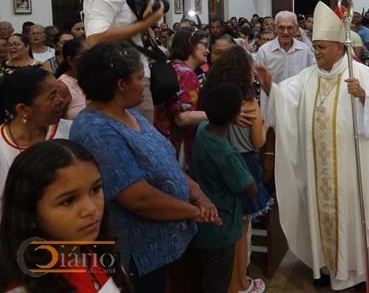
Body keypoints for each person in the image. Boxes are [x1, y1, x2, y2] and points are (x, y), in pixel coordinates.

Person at [256, 1, 369, 290]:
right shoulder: (308, 78)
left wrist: (365, 97)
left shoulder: (361, 75)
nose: (315, 52)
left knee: (351, 219)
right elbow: (285, 100)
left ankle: (355, 273)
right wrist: (270, 88)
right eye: (315, 46)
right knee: (322, 217)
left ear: (339, 48)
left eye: (321, 47)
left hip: (351, 170)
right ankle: (328, 268)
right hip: (318, 172)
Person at [70, 42, 219, 291]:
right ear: (121, 85)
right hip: (138, 252)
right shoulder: (95, 130)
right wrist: (193, 211)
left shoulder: (129, 112)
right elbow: (137, 198)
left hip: (167, 239)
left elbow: (164, 160)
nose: (145, 84)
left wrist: (197, 192)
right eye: (140, 78)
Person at [0, 140, 133, 292]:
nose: (91, 209)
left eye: (95, 189)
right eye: (68, 201)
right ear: (29, 214)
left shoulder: (99, 253)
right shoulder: (23, 288)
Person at [203, 45, 270, 293]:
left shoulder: (213, 97)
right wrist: (265, 127)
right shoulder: (249, 102)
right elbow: (257, 142)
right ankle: (240, 284)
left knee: (225, 228)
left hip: (216, 162)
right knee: (241, 232)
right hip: (243, 164)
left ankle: (230, 284)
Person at [81, 0, 164, 123]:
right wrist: (145, 23)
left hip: (125, 80)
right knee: (137, 137)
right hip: (123, 83)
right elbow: (96, 39)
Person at [191, 84, 259, 293]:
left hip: (203, 223)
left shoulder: (202, 130)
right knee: (218, 281)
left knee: (207, 278)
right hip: (222, 227)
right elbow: (250, 189)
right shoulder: (226, 153)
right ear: (235, 116)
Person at [0, 67, 70, 204]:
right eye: (52, 96)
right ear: (23, 109)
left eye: (58, 92)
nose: (61, 100)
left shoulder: (70, 131)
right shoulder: (2, 147)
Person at [153, 29, 209, 168]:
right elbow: (183, 118)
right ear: (190, 45)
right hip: (177, 145)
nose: (207, 50)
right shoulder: (185, 73)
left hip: (162, 141)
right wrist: (219, 114)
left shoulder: (172, 66)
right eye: (204, 45)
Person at [254, 11, 315, 115]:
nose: (285, 32)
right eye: (281, 27)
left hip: (297, 107)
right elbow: (260, 80)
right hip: (272, 108)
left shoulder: (305, 51)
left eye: (289, 28)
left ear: (296, 28)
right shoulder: (264, 51)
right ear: (275, 28)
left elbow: (311, 77)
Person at [55, 38, 88, 120]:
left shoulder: (94, 78)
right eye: (84, 55)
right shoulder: (63, 86)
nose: (90, 58)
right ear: (70, 60)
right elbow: (55, 120)